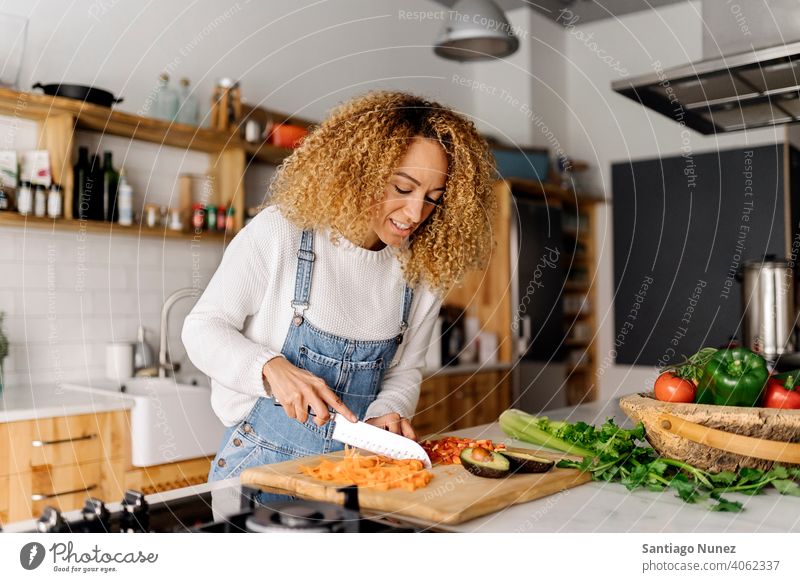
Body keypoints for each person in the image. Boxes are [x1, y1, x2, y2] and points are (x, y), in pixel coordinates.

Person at [182, 90, 496, 491]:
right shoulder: (282, 232)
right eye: (402, 188)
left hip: (354, 479)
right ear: (360, 170)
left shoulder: (423, 271)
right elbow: (202, 328)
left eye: (433, 199)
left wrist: (389, 410)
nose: (416, 214)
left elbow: (404, 371)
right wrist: (269, 368)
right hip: (257, 471)